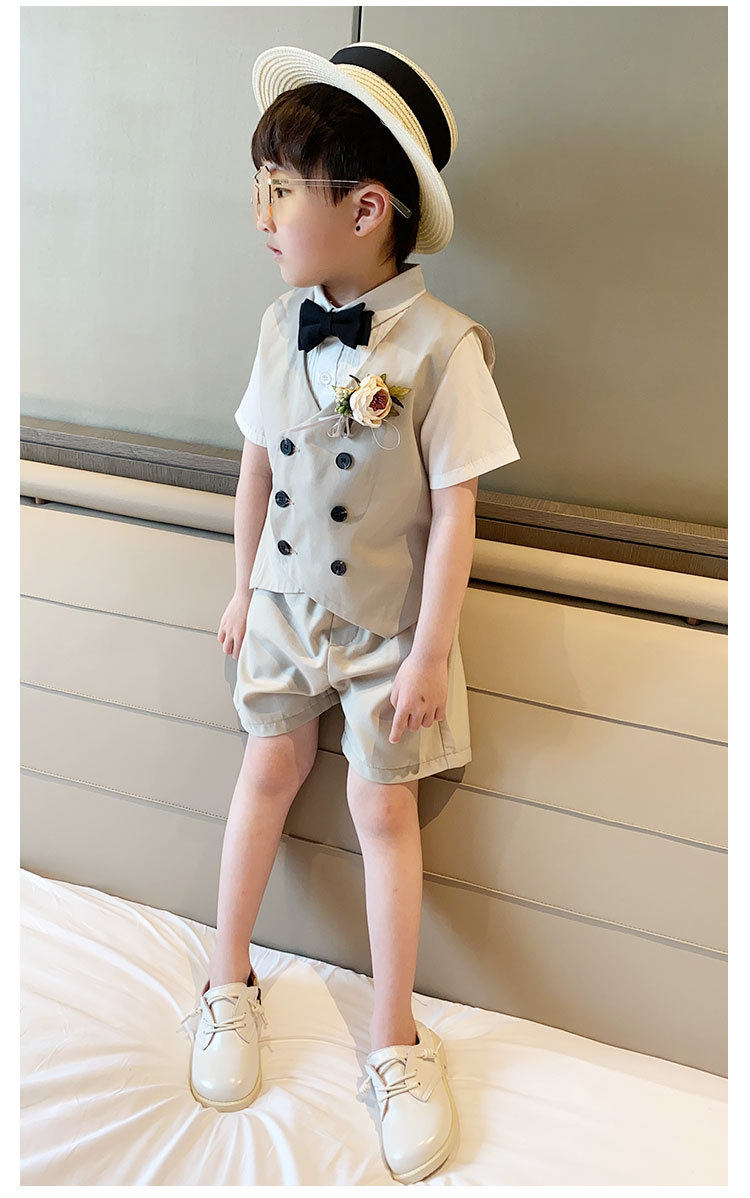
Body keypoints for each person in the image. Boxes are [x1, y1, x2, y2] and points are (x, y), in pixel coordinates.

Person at [180, 41, 520, 1184]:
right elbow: (255, 469)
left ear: (366, 209)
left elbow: (456, 512)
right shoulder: (277, 325)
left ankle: (393, 1038)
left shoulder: (444, 347)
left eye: (281, 190)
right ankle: (225, 979)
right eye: (261, 188)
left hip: (386, 630)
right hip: (284, 607)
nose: (261, 216)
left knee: (384, 811)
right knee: (265, 769)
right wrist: (242, 587)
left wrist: (429, 653)